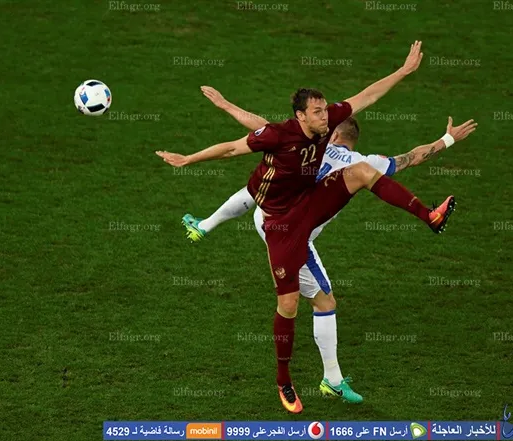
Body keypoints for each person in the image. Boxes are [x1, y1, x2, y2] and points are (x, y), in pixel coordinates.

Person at [156, 41, 470, 414]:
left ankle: (429, 216)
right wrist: (189, 158)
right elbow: (234, 146)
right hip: (280, 227)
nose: (326, 116)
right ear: (302, 117)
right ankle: (286, 381)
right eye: (318, 112)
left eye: (327, 112)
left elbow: (365, 96)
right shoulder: (287, 136)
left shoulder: (322, 129)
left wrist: (403, 71)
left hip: (307, 207)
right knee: (291, 304)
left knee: (359, 174)